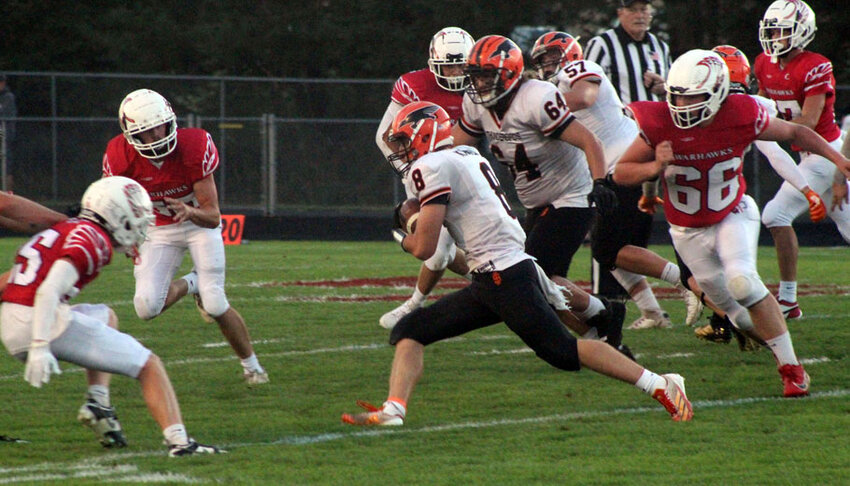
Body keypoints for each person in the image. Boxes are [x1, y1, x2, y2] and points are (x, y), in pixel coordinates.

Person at [341, 101, 692, 426]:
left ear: (425, 133)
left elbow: (424, 248)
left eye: (403, 140)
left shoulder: (430, 165)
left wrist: (405, 233)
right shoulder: (464, 155)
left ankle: (661, 383)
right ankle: (394, 410)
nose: (399, 150)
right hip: (493, 275)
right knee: (410, 331)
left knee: (564, 352)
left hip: (504, 276)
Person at [613, 49, 850, 397]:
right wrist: (654, 169)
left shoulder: (741, 113)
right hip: (686, 232)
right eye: (677, 95)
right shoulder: (658, 120)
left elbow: (796, 135)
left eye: (692, 96)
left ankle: (792, 370)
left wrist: (837, 159)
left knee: (744, 282)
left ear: (718, 93)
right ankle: (774, 344)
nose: (683, 103)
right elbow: (621, 173)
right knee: (737, 317)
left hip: (732, 212)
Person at [0, 176, 223, 456]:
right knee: (149, 366)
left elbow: (16, 281)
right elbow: (48, 290)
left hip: (12, 316)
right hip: (37, 319)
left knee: (105, 316)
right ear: (119, 215)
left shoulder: (67, 228)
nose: (141, 226)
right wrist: (40, 344)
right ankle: (180, 443)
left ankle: (98, 403)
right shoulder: (93, 239)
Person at [451, 35, 630, 352]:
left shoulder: (537, 98)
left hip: (571, 196)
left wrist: (600, 182)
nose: (478, 83)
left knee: (531, 277)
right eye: (475, 75)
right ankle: (599, 330)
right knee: (545, 283)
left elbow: (590, 141)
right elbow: (455, 144)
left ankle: (604, 313)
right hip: (536, 201)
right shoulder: (476, 105)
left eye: (486, 75)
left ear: (508, 73)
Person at [530, 31, 700, 330]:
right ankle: (652, 312)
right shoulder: (553, 88)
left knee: (609, 249)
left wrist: (538, 105)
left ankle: (686, 282)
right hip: (611, 169)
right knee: (605, 249)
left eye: (552, 57)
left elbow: (585, 96)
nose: (547, 65)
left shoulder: (581, 69)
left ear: (569, 54)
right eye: (542, 60)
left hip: (624, 163)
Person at [102, 88, 268, 385]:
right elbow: (115, 204)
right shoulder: (119, 156)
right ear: (131, 135)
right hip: (157, 229)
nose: (156, 137)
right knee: (146, 308)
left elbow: (213, 215)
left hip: (198, 225)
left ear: (170, 120)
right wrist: (126, 236)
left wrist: (190, 212)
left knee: (216, 303)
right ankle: (194, 284)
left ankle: (252, 367)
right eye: (147, 133)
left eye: (159, 127)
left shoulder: (193, 145)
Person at [691, 44, 827, 346]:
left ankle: (753, 330)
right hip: (705, 198)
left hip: (712, 202)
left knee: (728, 274)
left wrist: (806, 189)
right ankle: (734, 325)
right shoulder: (717, 105)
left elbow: (775, 152)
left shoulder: (742, 108)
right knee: (717, 273)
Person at [754, 0, 850, 320]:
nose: (775, 37)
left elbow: (807, 124)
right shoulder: (763, 64)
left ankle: (788, 301)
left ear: (801, 32)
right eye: (771, 30)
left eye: (782, 31)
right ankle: (789, 301)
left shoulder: (816, 65)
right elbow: (766, 108)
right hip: (806, 155)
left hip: (824, 152)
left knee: (775, 214)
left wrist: (766, 130)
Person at [374, 27, 475, 330]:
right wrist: (410, 173)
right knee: (440, 245)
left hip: (464, 171)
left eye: (461, 65)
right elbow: (384, 135)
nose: (457, 73)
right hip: (428, 171)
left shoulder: (478, 87)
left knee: (461, 246)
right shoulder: (414, 85)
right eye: (450, 66)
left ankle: (499, 284)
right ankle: (414, 304)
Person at [582, 0, 673, 306]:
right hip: (613, 150)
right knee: (608, 233)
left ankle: (645, 306)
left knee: (635, 229)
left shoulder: (659, 46)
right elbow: (588, 88)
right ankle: (609, 297)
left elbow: (675, 94)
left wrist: (665, 88)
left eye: (645, 8)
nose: (640, 15)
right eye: (633, 8)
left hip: (647, 147)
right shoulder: (601, 45)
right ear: (619, 12)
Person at [0, 74, 16, 192]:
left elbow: (5, 114)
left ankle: (8, 197)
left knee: (7, 169)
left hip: (4, 137)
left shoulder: (8, 97)